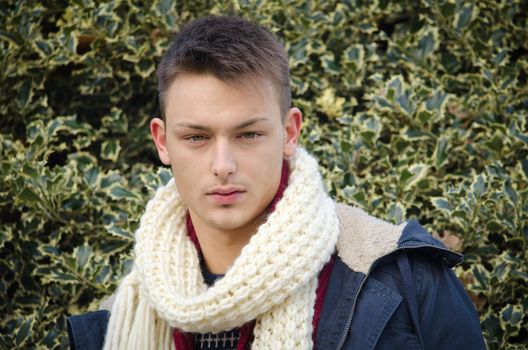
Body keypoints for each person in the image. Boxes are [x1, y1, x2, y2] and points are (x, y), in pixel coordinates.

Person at [67, 15, 486, 350]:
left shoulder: (402, 279)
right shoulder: (119, 321)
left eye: (248, 134)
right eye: (196, 137)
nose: (222, 165)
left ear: (289, 132)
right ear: (162, 141)